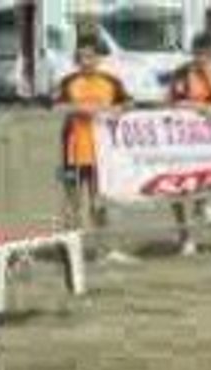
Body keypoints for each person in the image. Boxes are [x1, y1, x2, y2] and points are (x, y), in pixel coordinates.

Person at [55, 34, 131, 254]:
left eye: (91, 57)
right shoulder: (68, 82)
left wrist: (120, 109)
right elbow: (56, 107)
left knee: (100, 201)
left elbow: (128, 102)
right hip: (73, 150)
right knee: (72, 202)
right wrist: (78, 108)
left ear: (99, 58)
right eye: (82, 57)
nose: (86, 61)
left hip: (102, 153)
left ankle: (105, 249)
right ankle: (70, 249)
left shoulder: (111, 82)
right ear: (76, 59)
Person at [168, 31, 211, 256]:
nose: (202, 59)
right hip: (181, 138)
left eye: (207, 54)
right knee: (178, 188)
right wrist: (201, 108)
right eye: (198, 54)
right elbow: (174, 103)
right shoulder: (182, 73)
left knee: (204, 178)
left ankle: (204, 205)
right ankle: (185, 236)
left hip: (207, 141)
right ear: (192, 53)